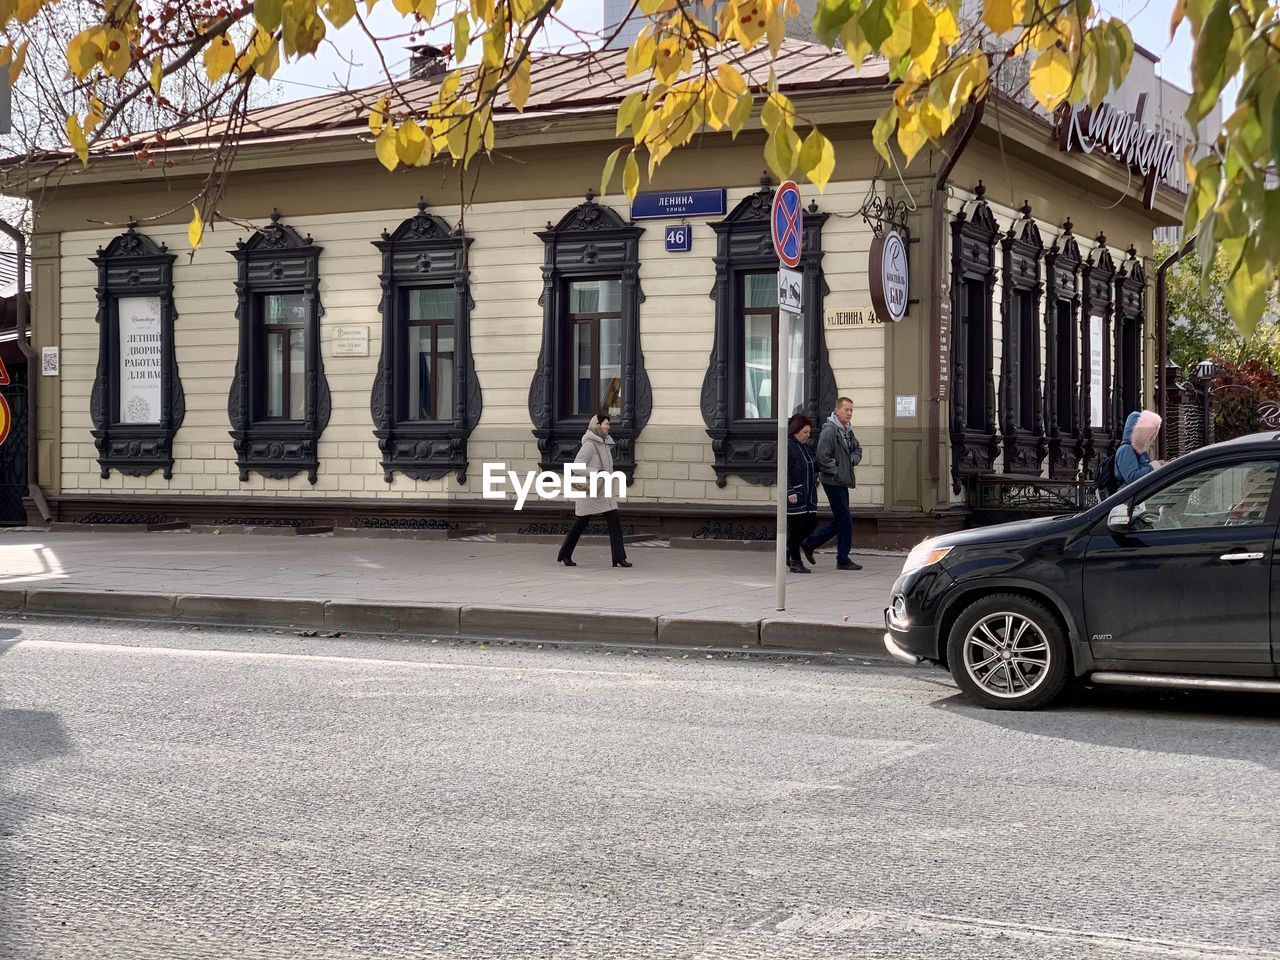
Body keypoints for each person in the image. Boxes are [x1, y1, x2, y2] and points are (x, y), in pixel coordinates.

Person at [557, 412, 631, 568]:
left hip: (604, 492)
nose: (609, 427)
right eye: (606, 424)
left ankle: (618, 557)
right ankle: (565, 553)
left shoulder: (604, 444)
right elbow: (577, 467)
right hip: (591, 492)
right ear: (598, 426)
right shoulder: (590, 445)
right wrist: (595, 473)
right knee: (580, 524)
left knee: (614, 522)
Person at [801, 396, 863, 571]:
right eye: (846, 409)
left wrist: (850, 461)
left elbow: (858, 449)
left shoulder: (847, 430)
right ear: (837, 410)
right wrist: (837, 470)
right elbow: (821, 458)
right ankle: (840, 558)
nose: (850, 413)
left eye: (851, 410)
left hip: (842, 480)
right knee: (845, 519)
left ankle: (812, 544)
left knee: (843, 520)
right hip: (832, 481)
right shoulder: (830, 431)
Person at [785, 415, 818, 574]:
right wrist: (790, 491)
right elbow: (784, 472)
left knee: (811, 524)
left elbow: (811, 464)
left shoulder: (805, 446)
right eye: (805, 432)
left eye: (809, 432)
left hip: (809, 495)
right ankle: (795, 561)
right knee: (795, 529)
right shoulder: (789, 446)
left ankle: (789, 551)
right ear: (796, 431)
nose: (808, 435)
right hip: (796, 496)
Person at [1115, 410, 1164, 490]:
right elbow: (1132, 477)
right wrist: (1155, 466)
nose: (1151, 438)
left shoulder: (1140, 450)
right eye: (1148, 433)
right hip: (1130, 497)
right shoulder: (1125, 449)